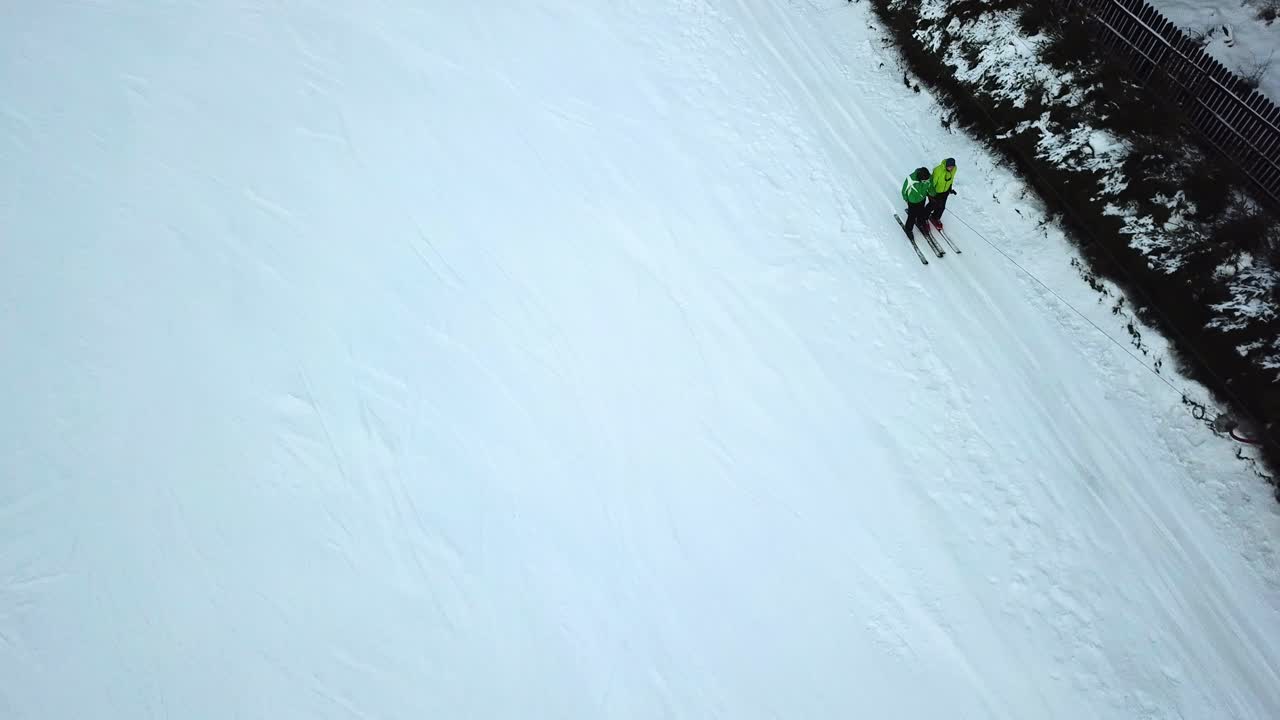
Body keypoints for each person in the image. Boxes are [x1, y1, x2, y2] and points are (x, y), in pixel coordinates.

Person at [901, 166, 933, 240]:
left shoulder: (928, 177)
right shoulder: (910, 179)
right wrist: (906, 199)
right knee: (912, 216)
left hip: (922, 199)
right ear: (920, 178)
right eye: (924, 180)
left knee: (921, 212)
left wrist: (931, 194)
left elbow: (930, 187)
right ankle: (908, 229)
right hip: (913, 201)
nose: (926, 181)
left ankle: (920, 222)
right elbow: (904, 190)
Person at [926, 158, 957, 230]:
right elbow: (932, 183)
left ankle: (935, 217)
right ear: (946, 165)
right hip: (935, 191)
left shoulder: (954, 169)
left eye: (952, 167)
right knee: (932, 205)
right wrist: (931, 193)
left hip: (945, 191)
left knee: (942, 207)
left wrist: (950, 189)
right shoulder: (938, 170)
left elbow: (951, 179)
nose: (951, 168)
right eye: (949, 167)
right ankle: (924, 218)